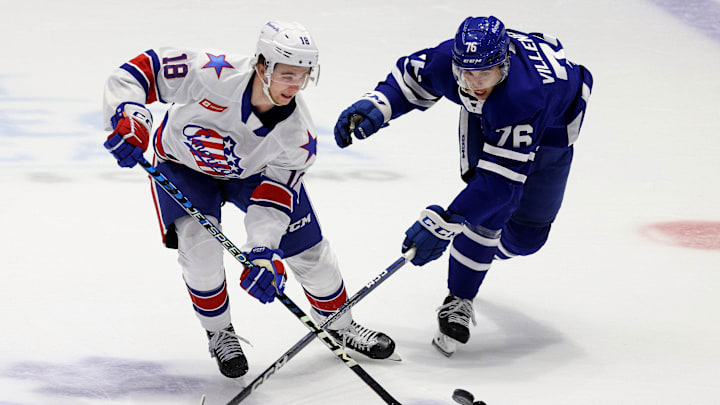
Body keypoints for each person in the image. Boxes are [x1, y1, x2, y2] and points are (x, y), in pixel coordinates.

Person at [103, 21, 396, 378]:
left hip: (253, 176)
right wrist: (130, 115)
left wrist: (263, 250)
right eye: (287, 74)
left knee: (310, 253)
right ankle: (220, 333)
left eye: (303, 75)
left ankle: (340, 324)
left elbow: (272, 202)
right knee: (199, 248)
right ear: (262, 66)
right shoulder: (213, 73)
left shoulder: (298, 137)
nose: (295, 85)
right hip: (184, 165)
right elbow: (139, 71)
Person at [334, 16, 593, 356]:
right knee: (487, 214)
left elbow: (500, 184)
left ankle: (474, 249)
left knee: (527, 238)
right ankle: (459, 298)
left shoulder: (522, 95)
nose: (474, 84)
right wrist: (378, 105)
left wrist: (447, 223)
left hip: (554, 129)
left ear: (505, 63)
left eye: (485, 73)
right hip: (498, 114)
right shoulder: (451, 61)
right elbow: (411, 80)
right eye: (467, 73)